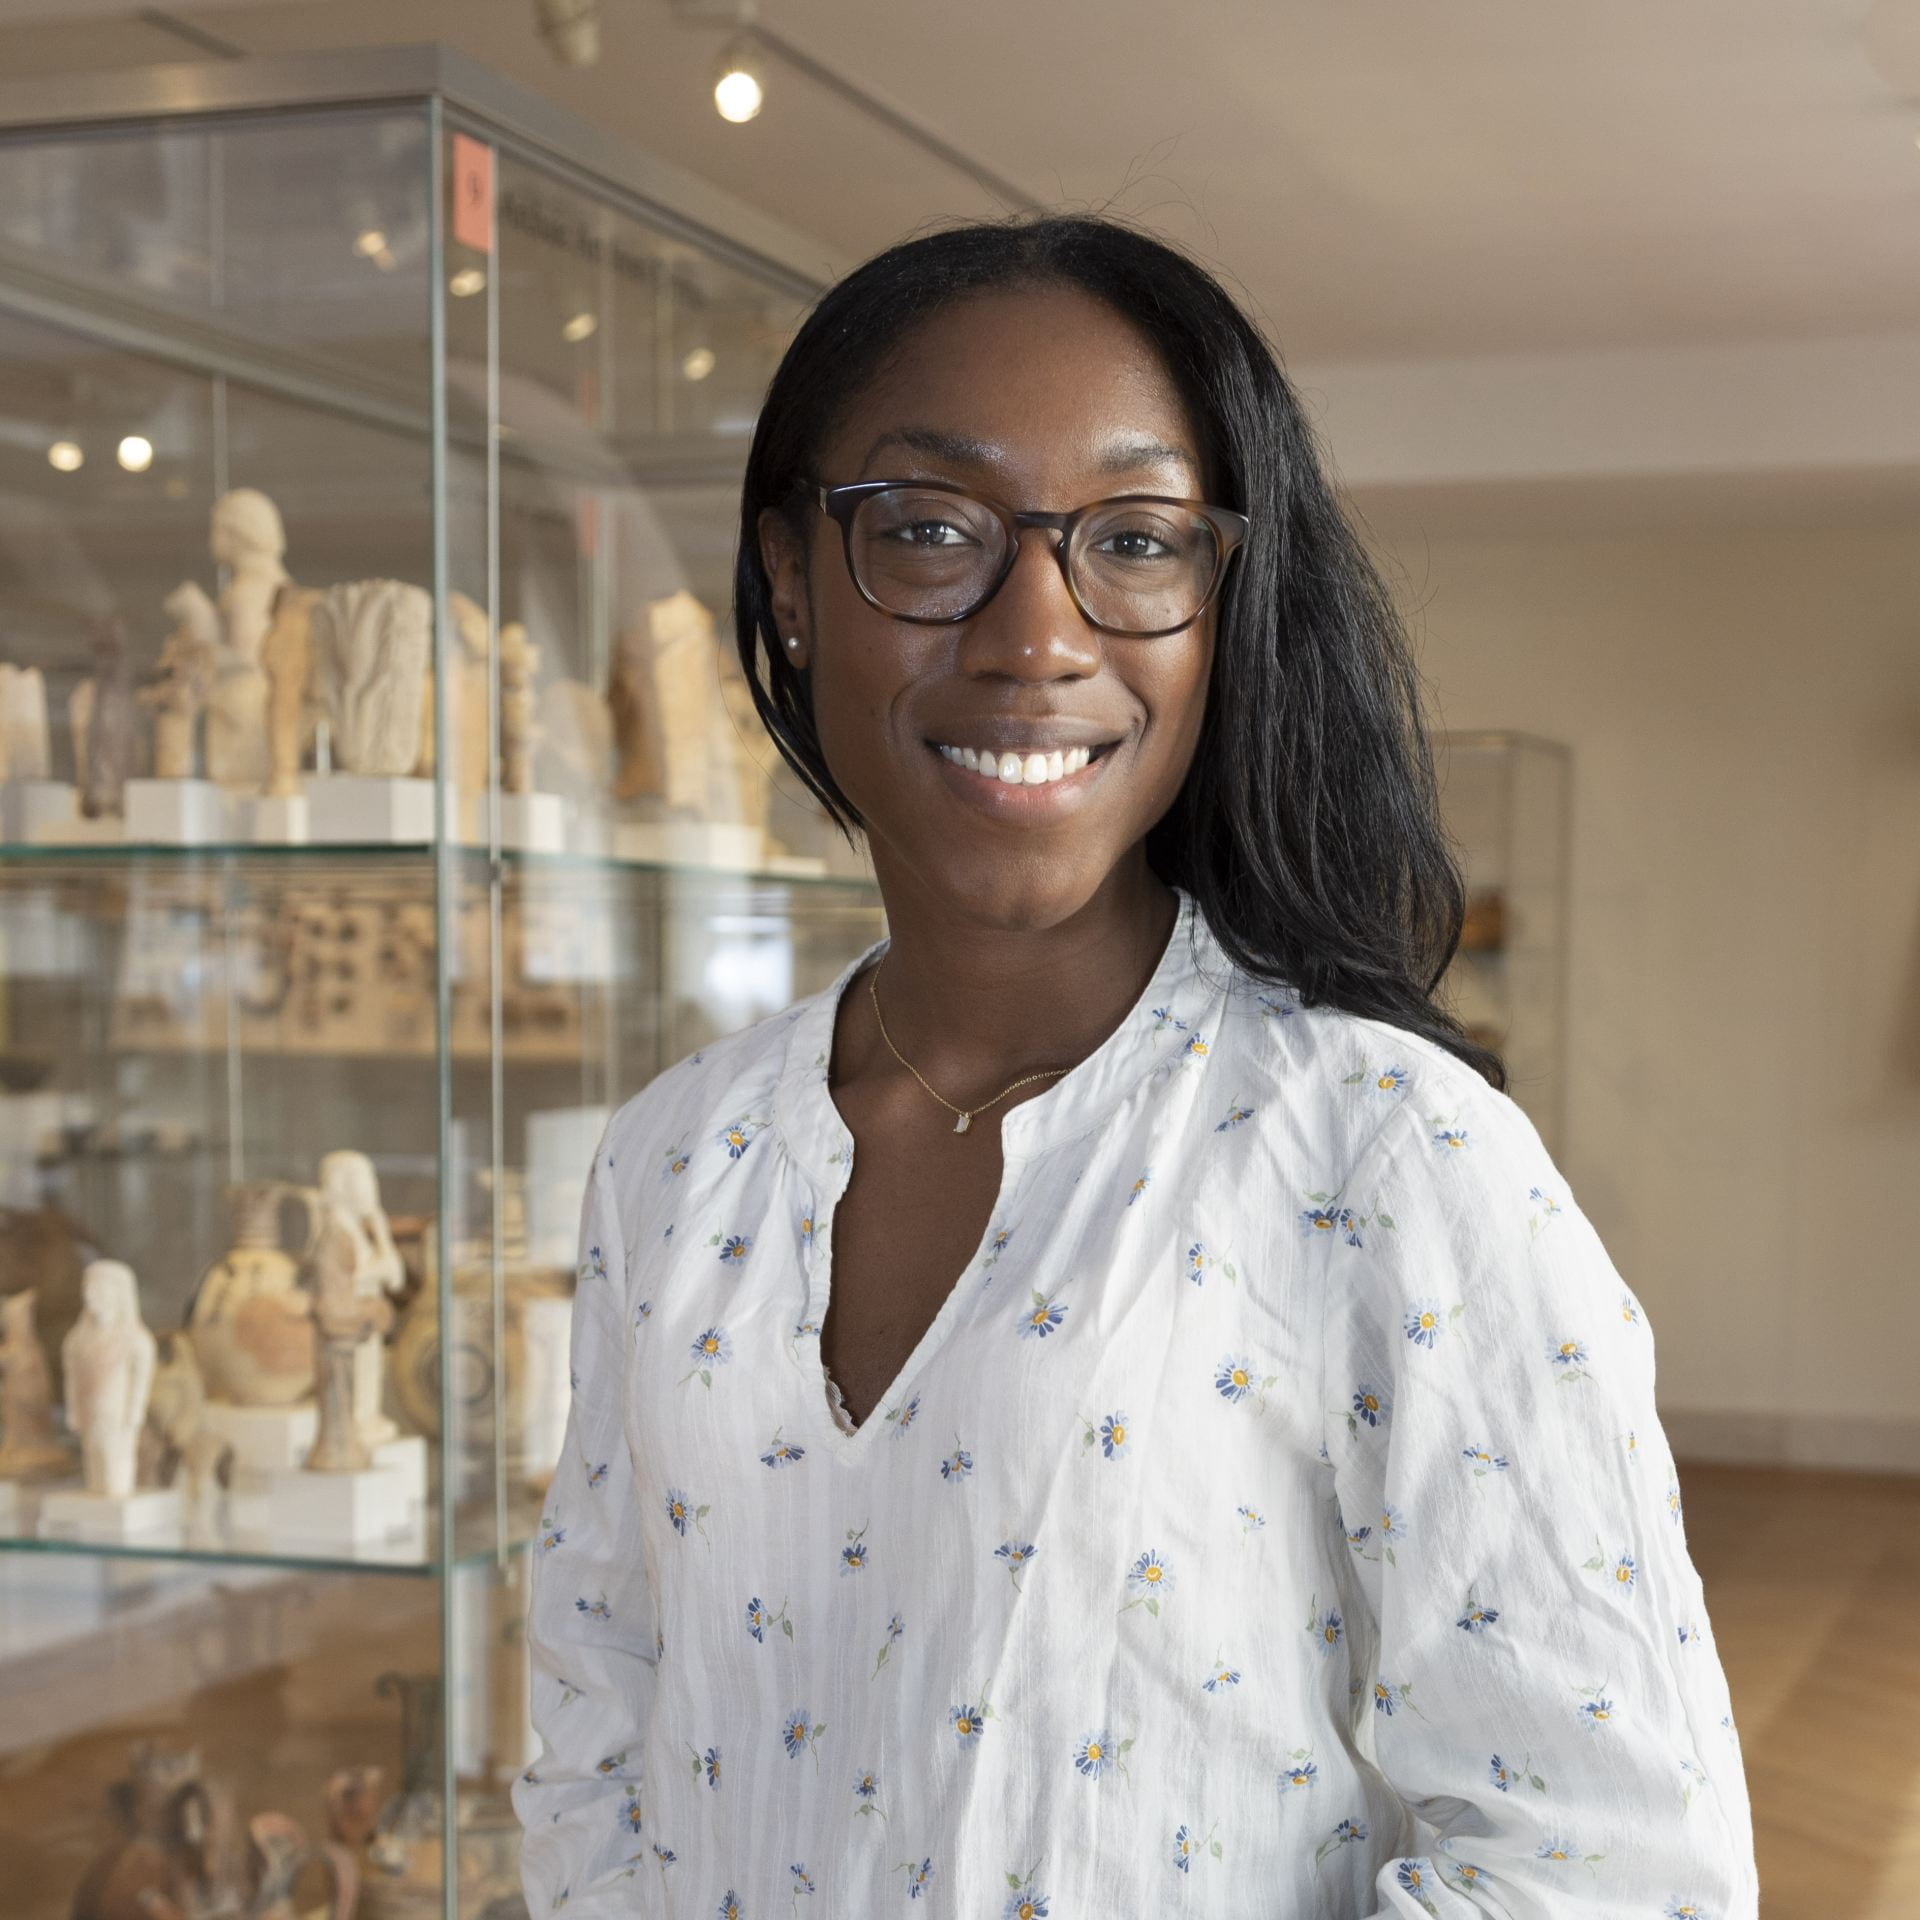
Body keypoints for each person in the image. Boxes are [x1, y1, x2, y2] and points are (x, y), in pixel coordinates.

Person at [512, 213, 1759, 1919]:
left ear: (1221, 608)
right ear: (792, 588)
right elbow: (596, 1731)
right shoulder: (672, 1162)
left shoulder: (1386, 1159)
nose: (1038, 633)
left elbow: (1613, 1866)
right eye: (932, 528)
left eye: (1140, 539)